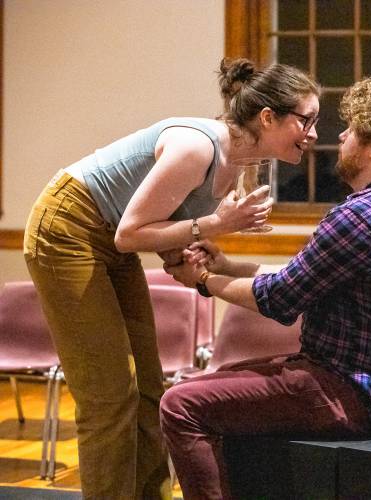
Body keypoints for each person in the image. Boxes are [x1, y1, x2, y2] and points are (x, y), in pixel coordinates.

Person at [23, 57, 320, 499]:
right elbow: (130, 235)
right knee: (109, 397)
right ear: (267, 117)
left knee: (148, 389)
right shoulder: (198, 148)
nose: (313, 133)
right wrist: (215, 226)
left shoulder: (238, 161)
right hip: (67, 228)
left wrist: (197, 252)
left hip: (110, 236)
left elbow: (158, 228)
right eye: (306, 120)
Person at [159, 76, 371, 500]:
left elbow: (280, 300)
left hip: (349, 392)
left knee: (181, 405)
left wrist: (202, 279)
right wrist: (227, 264)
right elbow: (303, 275)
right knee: (221, 378)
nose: (341, 135)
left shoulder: (362, 216)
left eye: (351, 130)